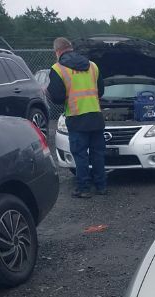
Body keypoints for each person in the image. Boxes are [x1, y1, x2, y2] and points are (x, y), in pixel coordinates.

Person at [47, 37, 107, 198]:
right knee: (98, 154)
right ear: (71, 48)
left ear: (57, 51)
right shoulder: (92, 66)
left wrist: (48, 93)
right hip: (96, 116)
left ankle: (84, 188)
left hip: (76, 118)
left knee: (81, 155)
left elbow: (58, 97)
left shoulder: (58, 68)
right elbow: (101, 91)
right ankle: (101, 186)